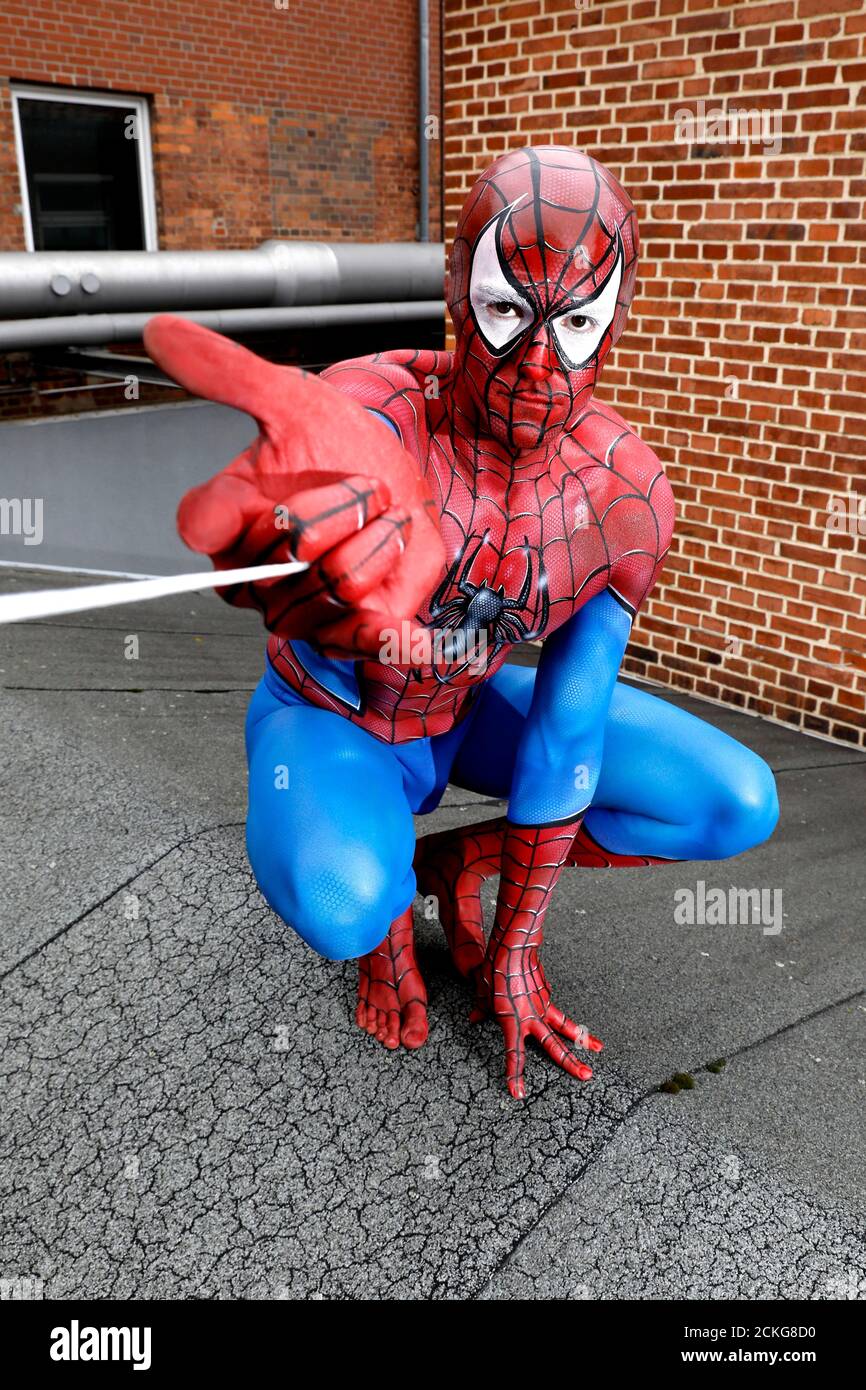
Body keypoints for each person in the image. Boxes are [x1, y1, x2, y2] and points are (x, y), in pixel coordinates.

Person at [144, 146, 779, 1099]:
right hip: (336, 721)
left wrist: (517, 948)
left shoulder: (624, 495)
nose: (537, 363)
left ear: (618, 318)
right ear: (454, 291)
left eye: (576, 322)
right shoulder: (383, 403)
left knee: (735, 799)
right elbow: (337, 434)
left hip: (465, 706)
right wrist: (293, 514)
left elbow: (568, 730)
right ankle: (392, 902)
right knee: (345, 899)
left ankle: (452, 858)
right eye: (505, 311)